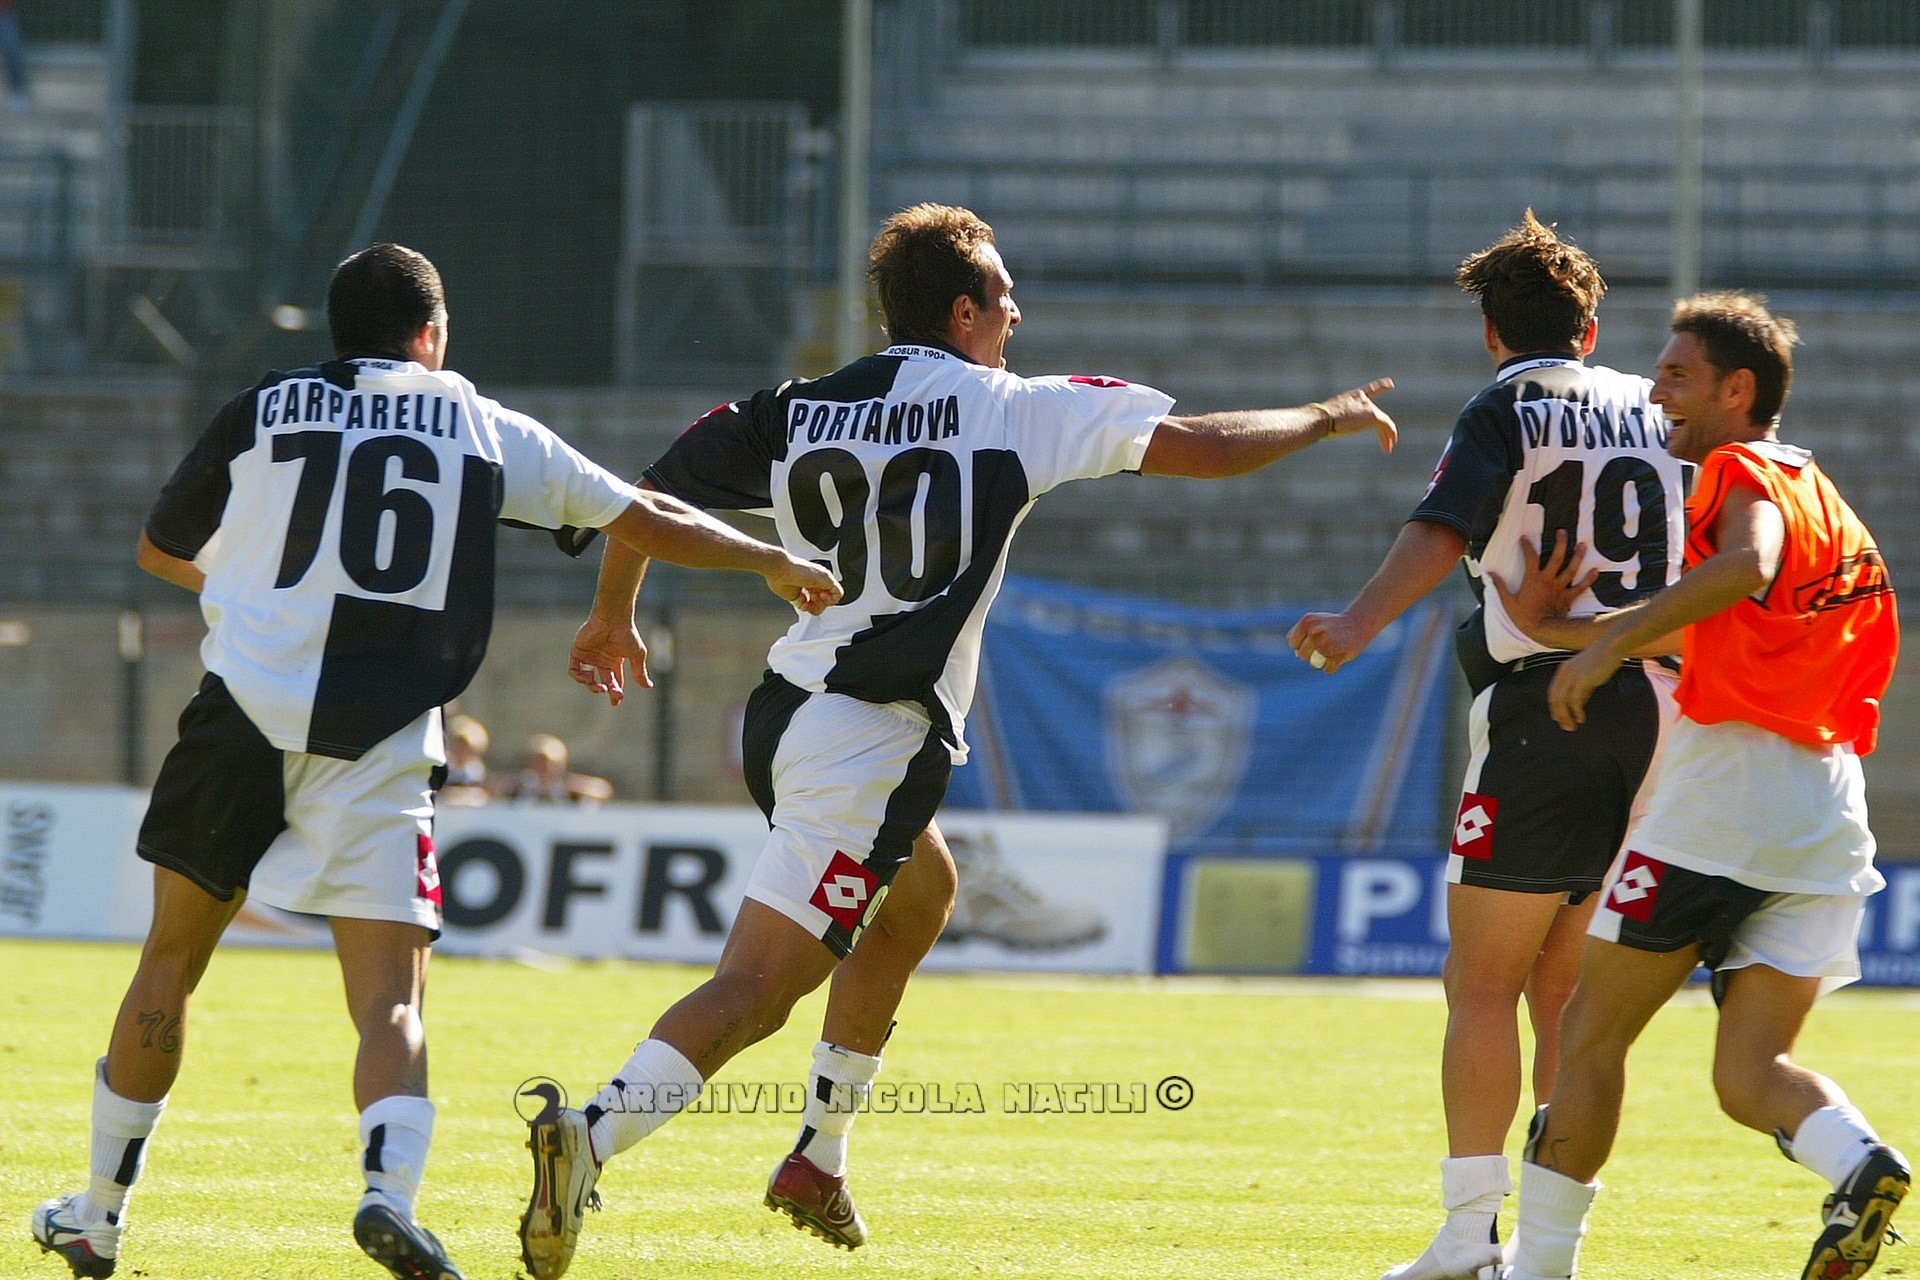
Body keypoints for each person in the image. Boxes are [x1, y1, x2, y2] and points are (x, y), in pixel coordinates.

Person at [514, 201, 1399, 1279]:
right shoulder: (1015, 409)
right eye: (1004, 296)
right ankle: (589, 1137)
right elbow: (1203, 445)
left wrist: (613, 610)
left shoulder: (798, 408)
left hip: (790, 708)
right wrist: (1323, 414)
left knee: (921, 894)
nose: (1018, 314)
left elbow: (645, 494)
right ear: (964, 312)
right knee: (758, 988)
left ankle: (819, 1157)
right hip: (870, 739)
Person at [27, 243, 839, 1280]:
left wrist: (255, 592)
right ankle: (388, 1194)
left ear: (336, 334)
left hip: (240, 716)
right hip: (384, 734)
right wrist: (771, 557)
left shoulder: (265, 408)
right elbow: (643, 514)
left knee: (169, 963)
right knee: (392, 1000)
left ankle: (98, 1213)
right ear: (431, 334)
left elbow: (157, 548)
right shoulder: (479, 423)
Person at [1287, 210, 1691, 1280]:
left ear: (1491, 332)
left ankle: (1470, 1237)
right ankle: (1551, 1248)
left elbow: (1441, 529)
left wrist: (1358, 621)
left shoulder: (1507, 404)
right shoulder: (1661, 410)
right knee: (1568, 993)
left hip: (1548, 709)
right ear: (1591, 328)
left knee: (1481, 980)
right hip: (1666, 715)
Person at [1496, 294, 1905, 1280]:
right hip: (1825, 807)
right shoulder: (1827, 502)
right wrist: (1562, 633)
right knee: (1749, 1073)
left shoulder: (1742, 471)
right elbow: (1716, 623)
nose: (1658, 392)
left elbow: (1744, 566)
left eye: (1677, 375)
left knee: (1590, 1035)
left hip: (1726, 791)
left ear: (1738, 389)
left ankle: (1537, 1266)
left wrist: (1601, 655)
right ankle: (1862, 1165)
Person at [496, 732, 613, 805]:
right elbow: (495, 790)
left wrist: (577, 790)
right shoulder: (520, 785)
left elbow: (603, 791)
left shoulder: (566, 786)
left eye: (550, 763)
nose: (545, 767)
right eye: (540, 762)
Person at [439, 712, 492, 806]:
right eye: (459, 745)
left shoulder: (476, 769)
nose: (462, 750)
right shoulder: (443, 763)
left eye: (466, 747)